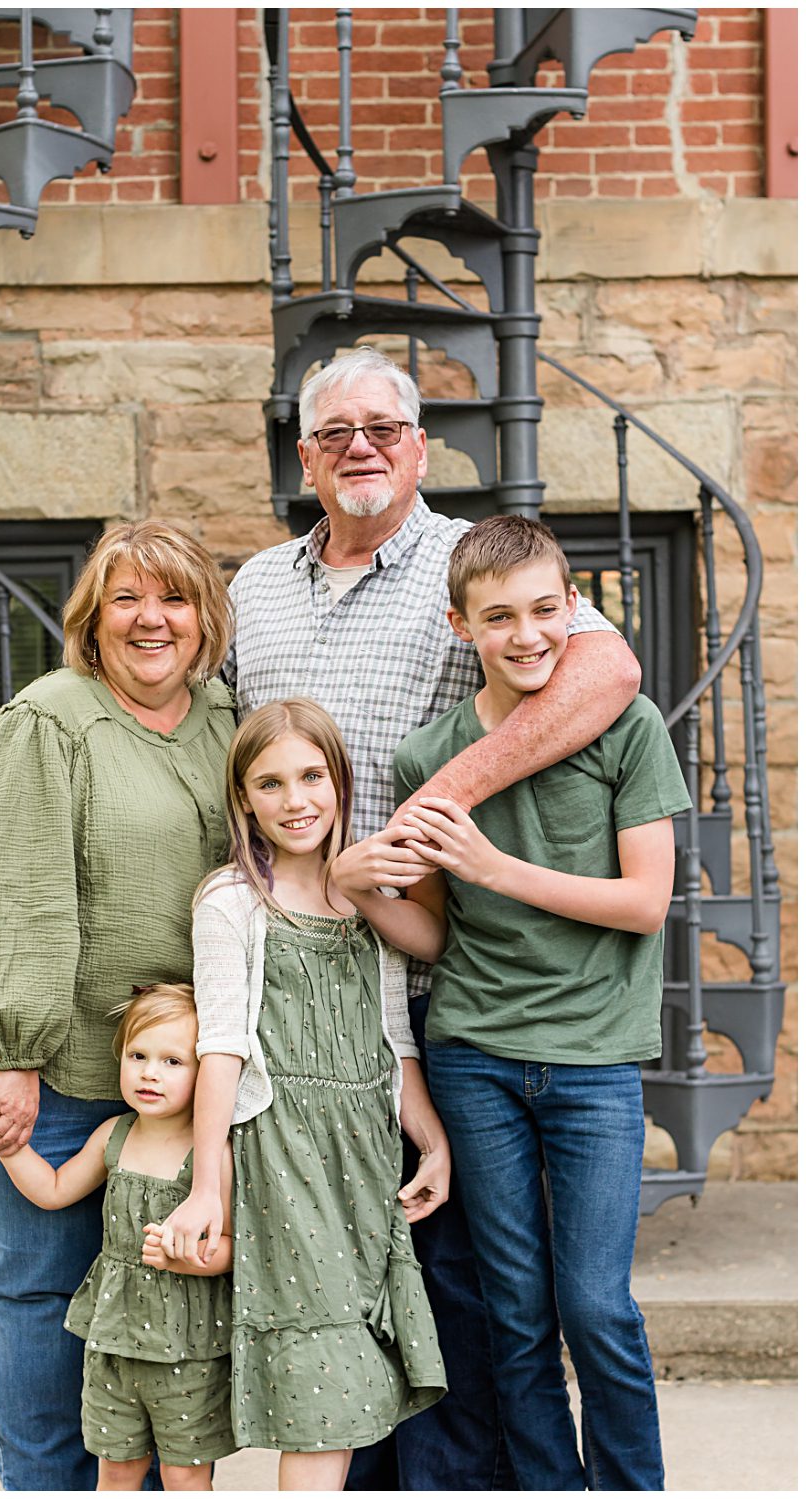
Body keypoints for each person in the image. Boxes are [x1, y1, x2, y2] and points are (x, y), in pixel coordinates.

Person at [223, 346, 642, 1490]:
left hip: (434, 958)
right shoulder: (251, 584)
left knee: (458, 1264)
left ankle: (460, 1477)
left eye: (383, 427)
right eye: (333, 432)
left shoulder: (471, 568)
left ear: (418, 444)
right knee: (333, 1245)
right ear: (302, 453)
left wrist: (428, 809)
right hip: (299, 969)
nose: (360, 446)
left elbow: (603, 672)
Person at [348, 516, 684, 1490]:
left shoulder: (628, 729)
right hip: (472, 1055)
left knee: (594, 1304)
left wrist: (496, 864)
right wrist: (356, 885)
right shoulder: (427, 758)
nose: (524, 633)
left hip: (591, 1061)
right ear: (460, 625)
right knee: (512, 1308)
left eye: (543, 609)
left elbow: (641, 905)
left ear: (572, 606)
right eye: (497, 616)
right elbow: (437, 934)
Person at [0, 520, 237, 1490]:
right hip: (41, 1068)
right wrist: (13, 1057)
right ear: (90, 619)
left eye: (173, 597)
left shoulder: (221, 715)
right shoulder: (49, 716)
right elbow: (12, 890)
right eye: (125, 598)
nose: (151, 618)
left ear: (205, 618)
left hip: (155, 1074)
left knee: (148, 1300)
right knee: (44, 1293)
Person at [164, 699, 451, 1491]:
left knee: (351, 1379)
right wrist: (209, 1183)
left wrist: (429, 1137)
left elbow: (394, 1034)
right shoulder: (232, 903)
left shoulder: (366, 897)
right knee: (328, 1383)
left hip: (362, 1158)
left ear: (340, 780)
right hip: (285, 1157)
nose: (296, 800)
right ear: (244, 799)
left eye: (312, 776)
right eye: (272, 782)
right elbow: (220, 1043)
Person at [0, 983, 236, 1492]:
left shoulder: (211, 1156)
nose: (149, 1073)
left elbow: (234, 1249)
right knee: (116, 1470)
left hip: (187, 1349)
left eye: (173, 1062)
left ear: (208, 1074)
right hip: (112, 1341)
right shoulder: (114, 1134)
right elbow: (52, 1190)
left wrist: (190, 1259)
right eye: (138, 1055)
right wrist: (6, 1147)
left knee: (184, 1474)